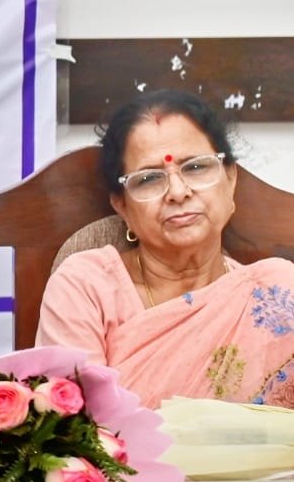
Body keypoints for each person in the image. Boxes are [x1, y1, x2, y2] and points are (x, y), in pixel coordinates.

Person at [36, 89, 294, 409]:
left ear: (230, 180)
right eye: (148, 179)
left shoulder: (276, 293)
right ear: (122, 206)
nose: (178, 191)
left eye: (195, 167)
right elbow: (75, 426)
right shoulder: (85, 287)